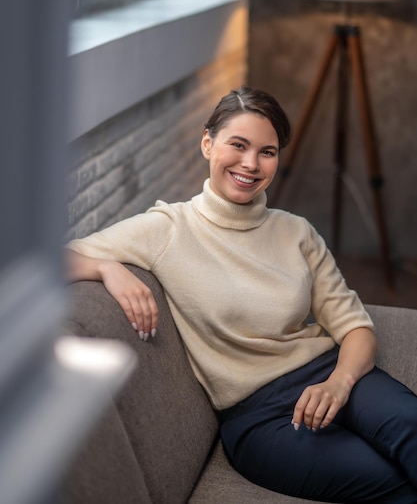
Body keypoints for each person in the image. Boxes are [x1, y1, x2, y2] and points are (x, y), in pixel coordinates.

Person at [67, 86, 417, 503]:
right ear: (207, 143)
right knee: (387, 481)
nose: (251, 164)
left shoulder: (296, 231)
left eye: (267, 151)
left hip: (328, 373)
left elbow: (356, 327)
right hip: (258, 415)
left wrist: (338, 384)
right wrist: (107, 268)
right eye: (238, 145)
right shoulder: (167, 229)